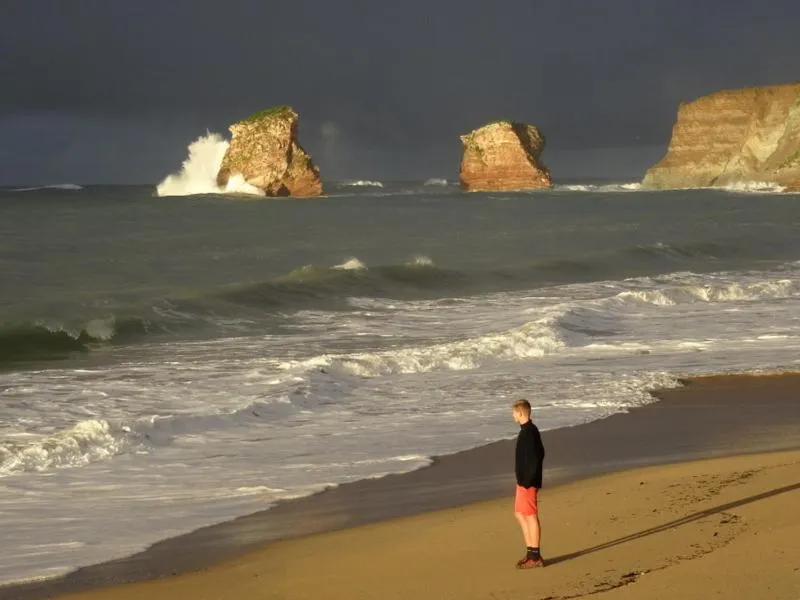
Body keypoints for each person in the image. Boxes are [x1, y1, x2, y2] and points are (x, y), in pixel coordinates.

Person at [512, 398, 545, 569]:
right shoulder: (525, 430)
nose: (512, 416)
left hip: (528, 482)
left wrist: (528, 481)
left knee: (530, 515)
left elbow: (537, 456)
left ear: (520, 413)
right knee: (519, 513)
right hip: (522, 482)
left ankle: (535, 555)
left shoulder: (531, 432)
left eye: (513, 413)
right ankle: (530, 552)